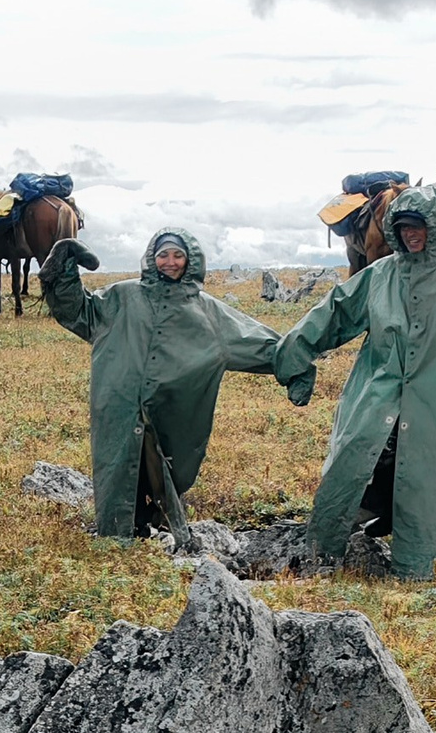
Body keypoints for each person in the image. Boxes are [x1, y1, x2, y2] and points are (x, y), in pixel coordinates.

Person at [276, 184, 436, 580]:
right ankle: (324, 553)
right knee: (354, 461)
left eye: (418, 226)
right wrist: (294, 357)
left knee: (431, 484)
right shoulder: (381, 274)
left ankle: (419, 569)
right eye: (403, 227)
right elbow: (335, 313)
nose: (410, 235)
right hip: (379, 394)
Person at [41, 228, 279, 541]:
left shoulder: (207, 312)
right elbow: (79, 311)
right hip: (118, 401)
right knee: (116, 467)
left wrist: (295, 357)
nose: (170, 262)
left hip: (170, 411)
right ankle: (114, 538)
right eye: (163, 255)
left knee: (166, 465)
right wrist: (63, 271)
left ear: (190, 260)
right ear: (152, 258)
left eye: (178, 255)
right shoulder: (122, 297)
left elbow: (255, 342)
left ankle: (160, 526)